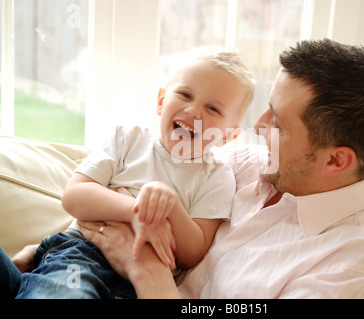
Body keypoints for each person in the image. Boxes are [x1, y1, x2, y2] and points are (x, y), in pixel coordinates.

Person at [79, 39, 364, 298]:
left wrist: (144, 269)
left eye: (278, 124)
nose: (258, 125)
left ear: (335, 161)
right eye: (268, 109)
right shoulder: (244, 167)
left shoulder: (355, 270)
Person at [12, 46, 255, 299]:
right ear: (161, 102)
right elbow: (74, 196)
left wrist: (171, 206)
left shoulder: (217, 177)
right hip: (83, 252)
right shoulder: (128, 139)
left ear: (228, 135)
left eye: (213, 109)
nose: (193, 110)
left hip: (141, 284)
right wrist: (135, 211)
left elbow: (193, 252)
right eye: (184, 94)